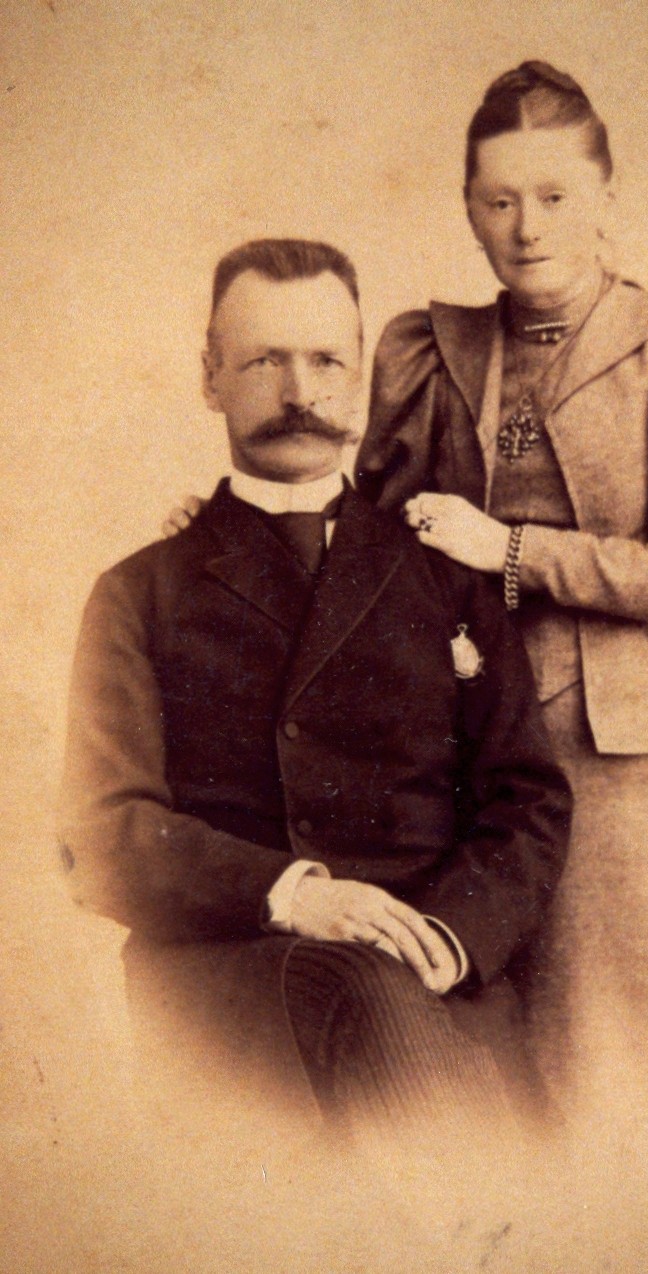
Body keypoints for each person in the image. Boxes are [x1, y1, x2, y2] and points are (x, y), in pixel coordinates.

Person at [59, 238, 571, 1138]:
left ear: (362, 373)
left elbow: (526, 799)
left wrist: (449, 939)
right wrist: (296, 896)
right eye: (265, 361)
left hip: (432, 973)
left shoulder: (445, 575)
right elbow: (102, 834)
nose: (300, 392)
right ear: (210, 378)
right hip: (232, 978)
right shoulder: (140, 591)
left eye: (327, 360)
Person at [354, 62, 648, 1085]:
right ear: (468, 207)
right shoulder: (430, 351)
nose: (528, 228)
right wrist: (230, 527)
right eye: (499, 201)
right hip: (471, 750)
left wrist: (511, 550)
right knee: (489, 1060)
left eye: (554, 197)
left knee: (623, 1064)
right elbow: (374, 544)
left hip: (638, 774)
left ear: (606, 197)